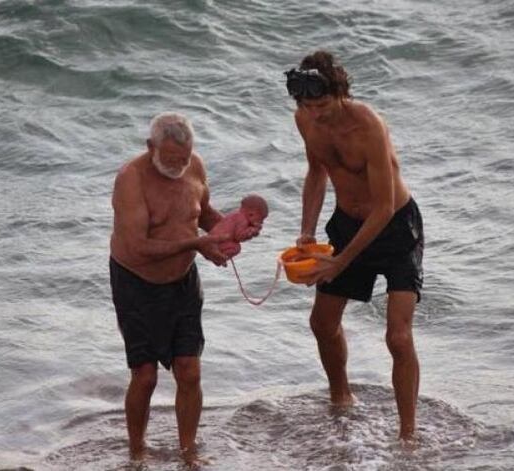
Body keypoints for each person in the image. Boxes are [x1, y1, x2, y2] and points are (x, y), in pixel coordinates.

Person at [285, 51, 425, 441]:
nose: (315, 115)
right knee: (322, 322)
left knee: (397, 337)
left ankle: (408, 436)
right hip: (348, 223)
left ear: (340, 93)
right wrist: (308, 232)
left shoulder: (369, 126)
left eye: (321, 105)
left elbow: (382, 207)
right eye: (307, 106)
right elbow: (316, 172)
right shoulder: (305, 119)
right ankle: (340, 399)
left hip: (395, 227)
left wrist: (341, 262)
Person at [109, 112, 254, 465]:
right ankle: (137, 452)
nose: (179, 166)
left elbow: (201, 214)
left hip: (183, 282)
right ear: (150, 147)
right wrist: (197, 245)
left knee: (190, 369)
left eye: (185, 159)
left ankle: (189, 452)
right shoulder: (131, 179)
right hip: (136, 282)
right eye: (171, 159)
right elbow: (139, 245)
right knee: (145, 376)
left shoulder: (195, 167)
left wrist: (229, 228)